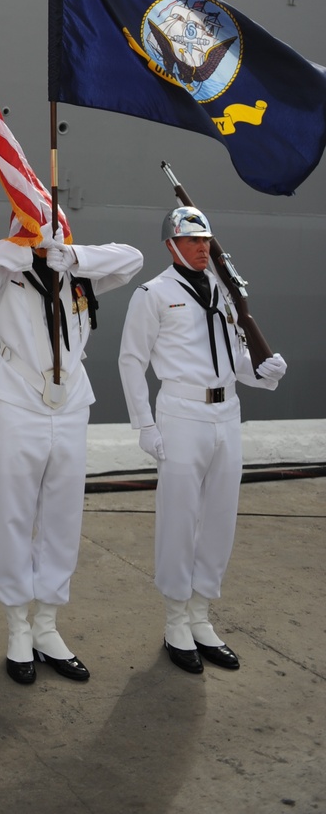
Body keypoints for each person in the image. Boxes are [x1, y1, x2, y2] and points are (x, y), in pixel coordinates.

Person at [0, 220, 142, 685]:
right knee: (17, 515)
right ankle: (17, 628)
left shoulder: (77, 272)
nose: (48, 241)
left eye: (53, 232)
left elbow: (132, 258)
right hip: (20, 400)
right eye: (38, 232)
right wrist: (27, 249)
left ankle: (46, 625)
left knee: (63, 516)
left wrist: (75, 256)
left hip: (70, 404)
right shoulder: (6, 273)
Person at [118, 207, 288, 674]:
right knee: (179, 517)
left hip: (226, 411)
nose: (202, 248)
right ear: (170, 245)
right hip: (180, 413)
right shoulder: (152, 294)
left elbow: (233, 358)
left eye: (207, 240)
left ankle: (201, 617)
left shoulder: (224, 292)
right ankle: (176, 621)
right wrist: (144, 425)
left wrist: (263, 374)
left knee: (219, 517)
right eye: (192, 240)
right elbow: (131, 361)